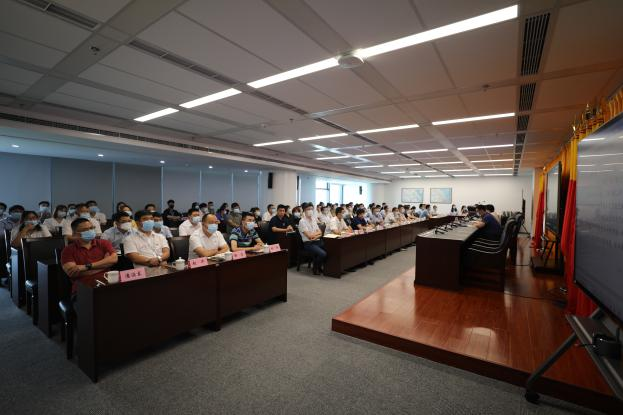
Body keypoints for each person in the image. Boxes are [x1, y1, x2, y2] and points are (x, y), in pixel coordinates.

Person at [61, 218, 117, 294]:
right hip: (83, 289)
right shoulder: (68, 250)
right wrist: (104, 265)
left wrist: (86, 267)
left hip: (107, 284)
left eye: (91, 228)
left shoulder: (103, 243)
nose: (90, 231)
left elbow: (114, 259)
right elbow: (72, 272)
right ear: (75, 234)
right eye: (85, 230)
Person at [298, 203, 326, 275]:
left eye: (311, 209)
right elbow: (309, 236)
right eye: (308, 209)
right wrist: (316, 235)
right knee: (322, 254)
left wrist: (315, 236)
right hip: (308, 243)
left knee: (330, 249)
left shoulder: (313, 219)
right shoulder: (302, 221)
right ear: (304, 210)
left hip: (317, 241)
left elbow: (320, 232)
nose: (310, 211)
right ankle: (315, 267)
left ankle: (320, 266)